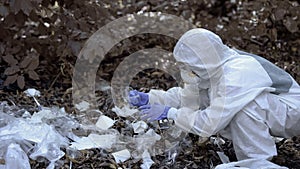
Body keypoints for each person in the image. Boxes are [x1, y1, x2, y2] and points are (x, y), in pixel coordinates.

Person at [128, 28, 300, 168]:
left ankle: (258, 163)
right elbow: (193, 95)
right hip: (276, 109)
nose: (187, 72)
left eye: (190, 67)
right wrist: (152, 98)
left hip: (292, 114)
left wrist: (171, 113)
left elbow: (210, 123)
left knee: (245, 108)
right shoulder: (216, 66)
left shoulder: (237, 74)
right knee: (231, 103)